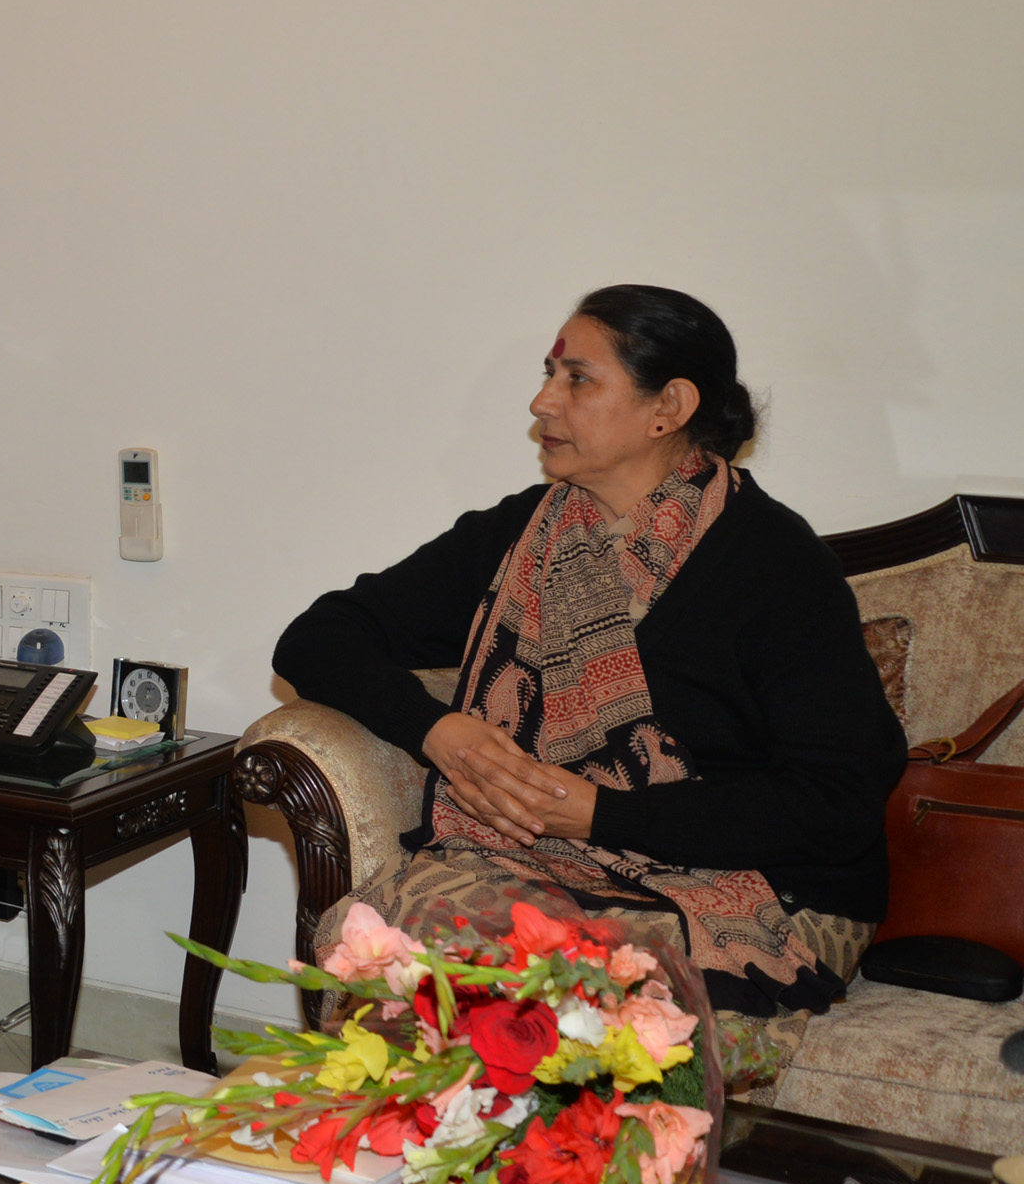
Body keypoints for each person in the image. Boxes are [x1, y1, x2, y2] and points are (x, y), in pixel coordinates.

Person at [276, 285, 907, 1026]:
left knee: (571, 1001)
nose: (543, 402)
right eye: (549, 374)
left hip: (759, 885)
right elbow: (318, 636)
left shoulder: (774, 562)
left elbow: (833, 803)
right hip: (544, 860)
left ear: (667, 405)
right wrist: (439, 731)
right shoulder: (525, 537)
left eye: (578, 379)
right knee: (405, 949)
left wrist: (600, 814)